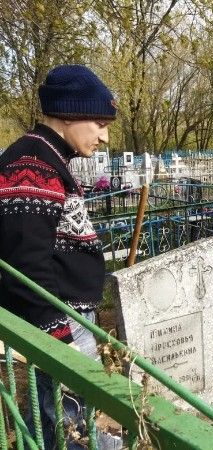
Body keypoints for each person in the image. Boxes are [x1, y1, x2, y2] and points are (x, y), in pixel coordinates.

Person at [0, 65, 117, 449]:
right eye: (99, 122)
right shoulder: (31, 165)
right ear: (69, 112)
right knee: (68, 420)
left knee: (56, 411)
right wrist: (59, 337)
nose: (105, 135)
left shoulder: (47, 157)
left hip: (67, 311)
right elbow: (24, 264)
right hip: (59, 316)